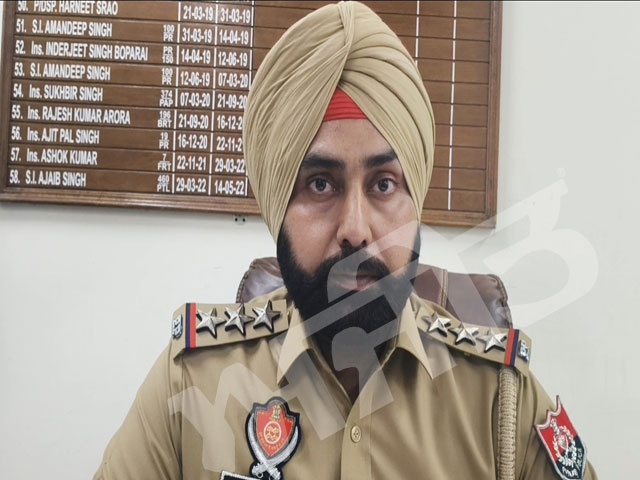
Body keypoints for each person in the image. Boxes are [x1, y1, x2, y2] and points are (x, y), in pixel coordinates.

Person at [94, 2, 597, 479]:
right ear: (278, 209)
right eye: (320, 184)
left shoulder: (500, 399)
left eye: (384, 185)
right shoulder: (189, 384)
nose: (355, 228)